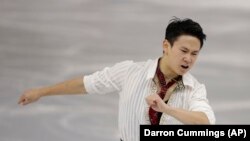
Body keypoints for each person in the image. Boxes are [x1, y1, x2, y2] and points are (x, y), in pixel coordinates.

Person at [18, 17, 216, 141]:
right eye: (184, 51)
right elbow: (86, 84)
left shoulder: (195, 89)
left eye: (194, 54)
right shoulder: (130, 72)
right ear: (166, 45)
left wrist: (166, 109)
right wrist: (41, 92)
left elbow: (204, 123)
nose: (188, 59)